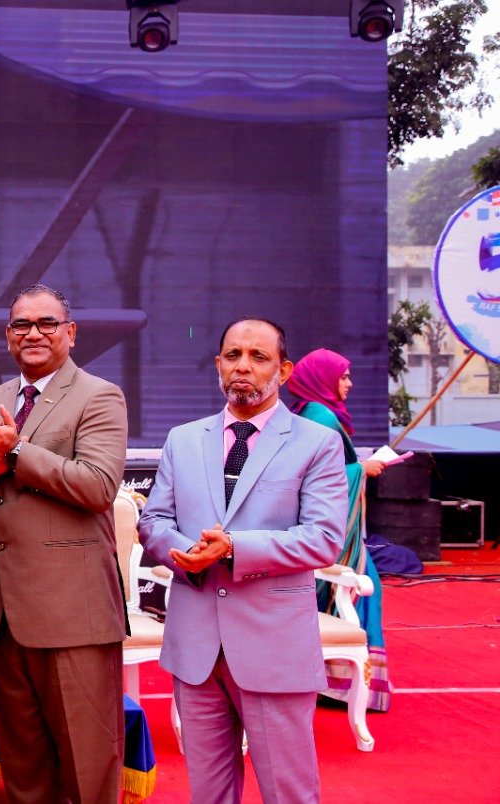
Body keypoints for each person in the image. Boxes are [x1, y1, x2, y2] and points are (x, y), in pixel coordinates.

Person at [137, 317, 348, 803]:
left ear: (284, 370)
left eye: (259, 357)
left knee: (289, 793)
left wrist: (234, 548)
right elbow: (154, 521)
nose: (243, 367)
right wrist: (187, 554)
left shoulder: (317, 443)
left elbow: (322, 539)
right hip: (196, 648)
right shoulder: (183, 439)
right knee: (209, 794)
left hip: (274, 647)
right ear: (218, 364)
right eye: (233, 356)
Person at [0, 283, 129, 803]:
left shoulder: (99, 395)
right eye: (21, 324)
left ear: (70, 332)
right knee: (23, 769)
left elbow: (98, 486)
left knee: (87, 764)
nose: (33, 333)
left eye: (47, 323)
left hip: (74, 614)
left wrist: (16, 452)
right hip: (5, 617)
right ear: (8, 336)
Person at [287, 347, 391, 711]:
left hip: (318, 523)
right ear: (323, 379)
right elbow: (316, 476)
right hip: (328, 527)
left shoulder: (309, 414)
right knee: (362, 588)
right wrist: (363, 469)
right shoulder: (322, 417)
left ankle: (332, 682)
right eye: (343, 377)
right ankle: (345, 685)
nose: (350, 384)